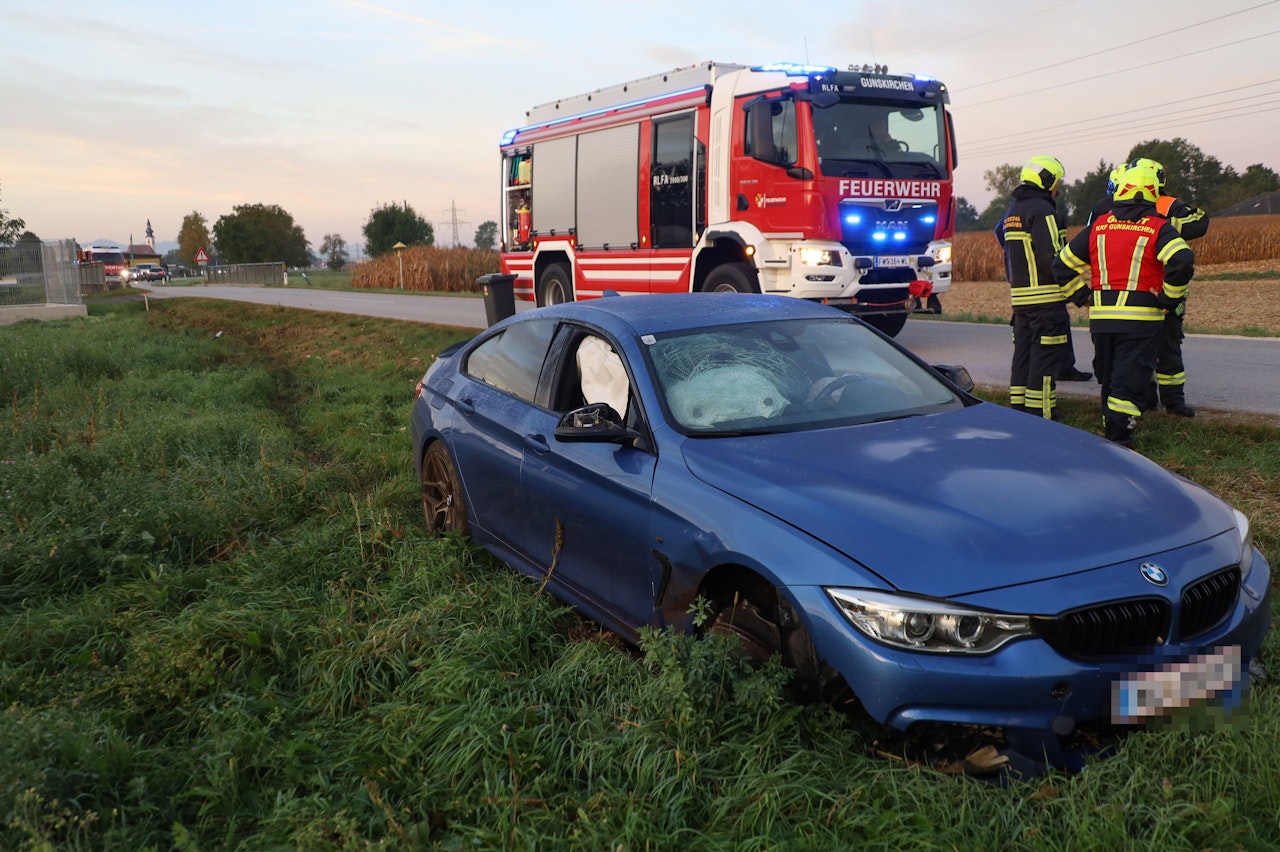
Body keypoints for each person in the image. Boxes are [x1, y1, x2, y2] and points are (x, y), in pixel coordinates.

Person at [1053, 159, 1194, 447]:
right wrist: (1169, 297)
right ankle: (1119, 439)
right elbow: (1182, 259)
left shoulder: (1099, 226)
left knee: (1110, 375)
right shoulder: (1158, 227)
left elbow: (1061, 265)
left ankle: (1112, 429)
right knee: (1128, 380)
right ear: (1153, 192)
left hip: (1102, 318)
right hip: (1141, 319)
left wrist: (1082, 296)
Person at [1086, 159, 1209, 416]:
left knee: (1163, 350)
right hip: (1143, 294)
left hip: (1147, 292)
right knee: (1143, 355)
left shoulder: (1166, 204)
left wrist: (1160, 225)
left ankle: (1168, 401)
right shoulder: (1104, 209)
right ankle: (1150, 401)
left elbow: (1200, 222)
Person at [995, 155, 1086, 420]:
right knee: (1045, 359)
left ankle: (1020, 414)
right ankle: (1042, 416)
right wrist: (1080, 293)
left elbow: (1002, 236)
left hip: (1021, 301)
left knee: (1023, 356)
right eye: (1056, 182)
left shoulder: (1013, 210)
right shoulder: (1043, 210)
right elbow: (1052, 258)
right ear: (1046, 181)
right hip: (1046, 301)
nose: (1057, 189)